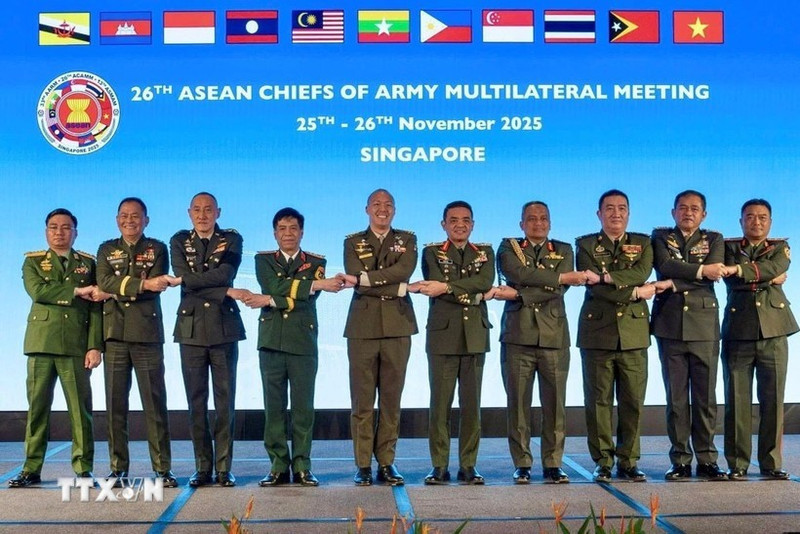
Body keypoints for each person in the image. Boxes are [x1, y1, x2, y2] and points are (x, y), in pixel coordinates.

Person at [242, 207, 343, 487]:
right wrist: (314, 284)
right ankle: (277, 465)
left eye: (293, 228)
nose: (288, 233)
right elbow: (272, 283)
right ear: (275, 233)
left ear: (302, 232)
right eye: (282, 228)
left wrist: (271, 300)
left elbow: (304, 299)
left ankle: (302, 465)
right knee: (273, 407)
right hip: (272, 341)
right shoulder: (263, 261)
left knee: (303, 407)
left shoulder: (316, 261)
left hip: (302, 342)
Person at [494, 201, 587, 484]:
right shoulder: (509, 248)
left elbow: (559, 288)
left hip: (553, 336)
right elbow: (518, 274)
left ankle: (552, 463)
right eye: (531, 219)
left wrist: (521, 295)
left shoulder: (564, 249)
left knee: (555, 405)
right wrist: (554, 278)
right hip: (517, 336)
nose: (538, 223)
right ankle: (522, 463)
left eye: (543, 218)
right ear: (522, 224)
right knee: (518, 405)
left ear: (550, 223)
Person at [9, 209, 103, 488]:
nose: (59, 232)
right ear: (46, 231)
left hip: (76, 346)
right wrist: (74, 291)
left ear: (76, 232)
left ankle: (84, 469)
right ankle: (31, 468)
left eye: (65, 227)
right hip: (42, 344)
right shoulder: (33, 262)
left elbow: (96, 308)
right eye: (53, 227)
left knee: (80, 411)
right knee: (37, 409)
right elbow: (38, 292)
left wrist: (94, 345)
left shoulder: (88, 263)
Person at [410, 200, 494, 485]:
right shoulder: (432, 252)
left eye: (466, 220)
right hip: (443, 336)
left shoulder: (485, 252)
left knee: (472, 406)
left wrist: (447, 287)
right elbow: (435, 286)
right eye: (454, 220)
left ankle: (469, 465)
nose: (460, 225)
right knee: (440, 406)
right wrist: (475, 294)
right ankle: (439, 465)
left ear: (473, 224)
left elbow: (483, 282)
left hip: (474, 337)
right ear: (443, 224)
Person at [96, 197, 177, 487]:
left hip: (146, 335)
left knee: (154, 405)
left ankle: (162, 469)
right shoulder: (107, 249)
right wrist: (141, 284)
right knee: (115, 406)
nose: (129, 221)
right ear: (117, 219)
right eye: (124, 216)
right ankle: (118, 469)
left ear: (146, 220)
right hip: (115, 335)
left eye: (135, 216)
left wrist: (121, 289)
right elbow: (103, 282)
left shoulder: (158, 248)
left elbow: (158, 286)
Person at [340, 189, 418, 486]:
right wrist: (398, 287)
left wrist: (366, 279)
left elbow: (404, 270)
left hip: (398, 326)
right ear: (367, 209)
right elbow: (353, 275)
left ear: (394, 210)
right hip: (362, 327)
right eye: (376, 204)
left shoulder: (407, 240)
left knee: (391, 399)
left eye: (388, 205)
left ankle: (386, 462)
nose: (382, 209)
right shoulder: (352, 241)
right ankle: (362, 464)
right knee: (362, 401)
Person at [576, 189, 655, 483]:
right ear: (599, 214)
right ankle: (603, 461)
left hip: (634, 333)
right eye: (609, 208)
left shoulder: (644, 243)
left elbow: (642, 271)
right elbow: (592, 285)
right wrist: (635, 291)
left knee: (633, 401)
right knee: (598, 402)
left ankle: (629, 460)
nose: (616, 213)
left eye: (622, 208)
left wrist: (608, 277)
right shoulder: (584, 244)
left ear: (629, 213)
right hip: (598, 332)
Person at [170, 192, 247, 487]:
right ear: (189, 213)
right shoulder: (179, 241)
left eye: (208, 210)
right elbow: (183, 276)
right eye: (197, 210)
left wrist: (198, 282)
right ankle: (203, 467)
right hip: (190, 330)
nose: (203, 215)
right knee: (196, 401)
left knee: (225, 401)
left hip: (224, 327)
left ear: (218, 212)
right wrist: (225, 291)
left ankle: (224, 468)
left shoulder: (232, 240)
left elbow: (224, 273)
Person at [650, 190, 728, 481]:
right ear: (673, 212)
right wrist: (700, 270)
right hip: (670, 325)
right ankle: (680, 459)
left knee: (706, 397)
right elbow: (665, 265)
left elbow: (714, 274)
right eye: (682, 208)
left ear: (703, 215)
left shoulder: (715, 239)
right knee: (677, 398)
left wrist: (671, 283)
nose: (688, 213)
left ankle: (707, 459)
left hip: (704, 327)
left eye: (694, 209)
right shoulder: (660, 237)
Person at [720, 199, 798, 481]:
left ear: (771, 222)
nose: (756, 222)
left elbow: (773, 267)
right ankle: (737, 464)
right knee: (736, 401)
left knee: (773, 400)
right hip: (738, 330)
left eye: (762, 217)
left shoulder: (780, 247)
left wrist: (744, 271)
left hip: (774, 331)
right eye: (750, 217)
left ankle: (771, 463)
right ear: (741, 221)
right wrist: (768, 276)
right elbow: (730, 278)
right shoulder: (727, 247)